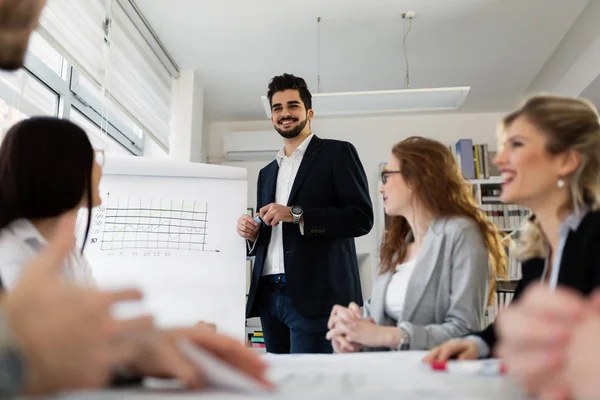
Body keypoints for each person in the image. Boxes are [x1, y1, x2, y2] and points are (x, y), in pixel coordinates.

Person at [0, 117, 271, 394]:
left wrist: (173, 343)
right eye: (94, 157)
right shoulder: (11, 252)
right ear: (60, 169)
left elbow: (95, 335)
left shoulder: (68, 253)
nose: (99, 167)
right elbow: (46, 353)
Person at [424, 95, 600, 397]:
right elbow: (511, 326)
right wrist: (477, 343)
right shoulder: (539, 249)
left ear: (567, 160)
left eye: (516, 145)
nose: (498, 159)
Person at [325, 136, 506, 352]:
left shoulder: (461, 233)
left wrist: (385, 335)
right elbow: (376, 320)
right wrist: (352, 333)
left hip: (435, 375)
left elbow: (465, 330)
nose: (381, 189)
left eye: (387, 177)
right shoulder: (398, 245)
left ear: (416, 179)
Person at [236, 73, 373, 354]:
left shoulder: (338, 153)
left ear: (309, 112)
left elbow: (361, 218)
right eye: (277, 108)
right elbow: (272, 234)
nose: (285, 113)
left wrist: (296, 213)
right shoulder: (267, 173)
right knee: (279, 385)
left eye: (292, 106)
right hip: (268, 295)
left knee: (309, 388)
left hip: (316, 296)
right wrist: (253, 235)